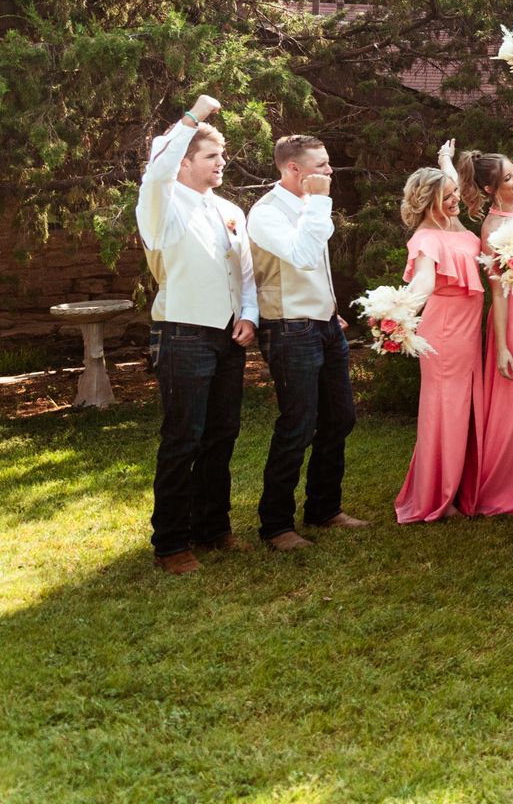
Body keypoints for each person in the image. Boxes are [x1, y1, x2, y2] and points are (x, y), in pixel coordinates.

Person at [138, 94, 258, 573]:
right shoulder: (160, 206)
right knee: (182, 437)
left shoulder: (231, 209)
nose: (221, 163)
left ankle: (213, 528)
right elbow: (156, 167)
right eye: (211, 156)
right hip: (182, 333)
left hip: (229, 336)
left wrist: (248, 315)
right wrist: (193, 117)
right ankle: (170, 543)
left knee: (222, 434)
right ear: (184, 161)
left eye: (222, 156)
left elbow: (245, 273)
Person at [250, 131, 367, 553]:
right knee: (297, 425)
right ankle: (275, 524)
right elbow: (299, 254)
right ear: (293, 169)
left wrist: (329, 307)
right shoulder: (265, 214)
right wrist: (319, 202)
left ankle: (323, 508)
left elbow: (315, 266)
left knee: (340, 418)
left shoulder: (309, 205)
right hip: (288, 328)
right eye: (321, 166)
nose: (330, 171)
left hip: (322, 324)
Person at [459, 69, 513, 515]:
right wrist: (503, 346)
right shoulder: (492, 227)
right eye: (508, 177)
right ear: (490, 188)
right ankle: (506, 487)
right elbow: (497, 293)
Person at [393, 144, 485, 524]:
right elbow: (424, 284)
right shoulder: (426, 238)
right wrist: (396, 318)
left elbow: (455, 188)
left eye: (454, 194)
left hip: (467, 331)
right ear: (429, 202)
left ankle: (461, 488)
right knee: (445, 411)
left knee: (463, 409)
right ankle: (437, 495)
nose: (456, 200)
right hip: (445, 332)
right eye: (447, 198)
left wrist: (445, 159)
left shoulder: (454, 225)